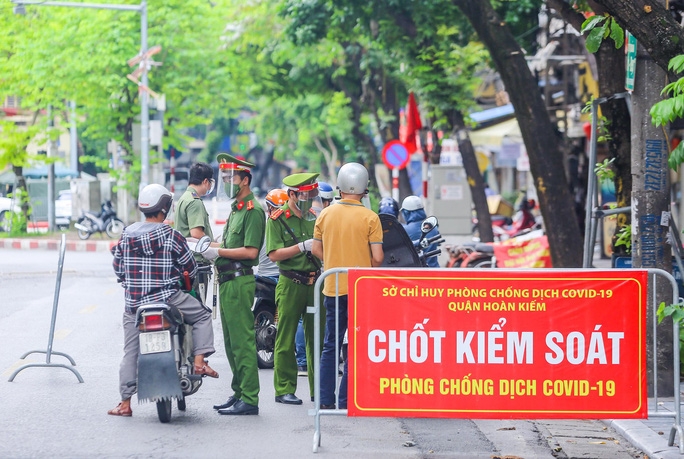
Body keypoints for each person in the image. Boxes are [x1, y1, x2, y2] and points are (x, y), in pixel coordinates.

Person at [108, 184, 218, 417]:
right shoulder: (172, 235)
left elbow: (118, 268)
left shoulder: (126, 234)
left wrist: (127, 280)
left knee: (130, 351)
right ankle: (199, 362)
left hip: (135, 305)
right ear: (165, 208)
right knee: (202, 314)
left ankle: (125, 403)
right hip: (168, 299)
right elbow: (189, 266)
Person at [312, 162, 384, 409]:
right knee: (354, 346)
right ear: (365, 189)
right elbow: (378, 258)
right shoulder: (370, 217)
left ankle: (325, 402)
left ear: (339, 187)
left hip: (332, 287)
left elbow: (316, 249)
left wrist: (334, 259)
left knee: (330, 345)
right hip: (360, 291)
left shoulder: (325, 213)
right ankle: (346, 401)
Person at [212, 153, 265, 416]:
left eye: (230, 177)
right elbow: (227, 245)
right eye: (224, 177)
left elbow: (250, 252)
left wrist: (218, 253)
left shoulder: (253, 211)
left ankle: (250, 398)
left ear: (244, 180)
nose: (226, 181)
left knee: (243, 340)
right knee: (231, 341)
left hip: (239, 280)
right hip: (226, 281)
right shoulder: (236, 209)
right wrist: (206, 247)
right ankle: (239, 392)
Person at [266, 173, 326, 405]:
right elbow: (273, 255)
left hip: (314, 283)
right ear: (291, 194)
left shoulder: (314, 217)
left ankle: (318, 390)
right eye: (304, 195)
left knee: (316, 338)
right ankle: (284, 389)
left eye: (312, 195)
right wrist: (301, 247)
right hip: (290, 283)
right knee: (286, 337)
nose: (309, 200)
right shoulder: (278, 219)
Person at [294, 183, 334, 376]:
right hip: (316, 274)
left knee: (313, 319)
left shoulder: (315, 217)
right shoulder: (321, 217)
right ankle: (305, 360)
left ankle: (308, 362)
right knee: (309, 319)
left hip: (319, 274)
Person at [174, 162, 216, 298]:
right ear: (205, 181)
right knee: (198, 308)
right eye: (210, 182)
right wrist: (219, 247)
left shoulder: (183, 198)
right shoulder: (194, 202)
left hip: (185, 261)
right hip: (196, 263)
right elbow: (197, 234)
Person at [400, 195, 440, 268]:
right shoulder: (433, 227)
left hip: (415, 272)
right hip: (434, 270)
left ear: (406, 212)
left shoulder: (404, 230)